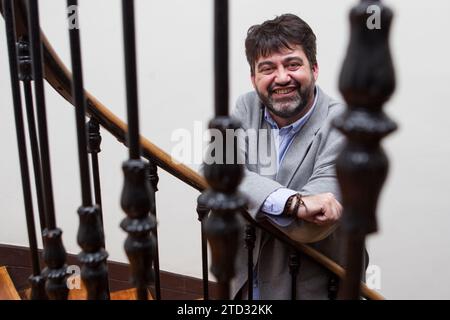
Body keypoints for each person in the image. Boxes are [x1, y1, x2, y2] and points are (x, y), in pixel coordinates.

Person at [230, 13, 347, 300]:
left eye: (292, 64)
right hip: (245, 279)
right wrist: (292, 203)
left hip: (309, 287)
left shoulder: (345, 123)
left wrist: (248, 195)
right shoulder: (246, 106)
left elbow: (311, 226)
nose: (281, 78)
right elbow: (218, 170)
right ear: (253, 78)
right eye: (267, 68)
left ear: (315, 69)